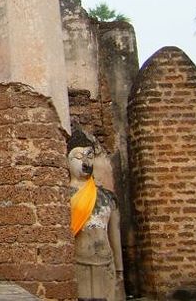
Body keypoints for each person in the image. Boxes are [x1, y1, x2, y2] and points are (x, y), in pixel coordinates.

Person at [68, 128, 125, 301]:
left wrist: (120, 270)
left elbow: (114, 235)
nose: (85, 162)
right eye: (78, 158)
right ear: (67, 162)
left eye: (90, 156)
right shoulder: (63, 196)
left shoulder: (107, 198)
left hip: (106, 261)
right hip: (79, 261)